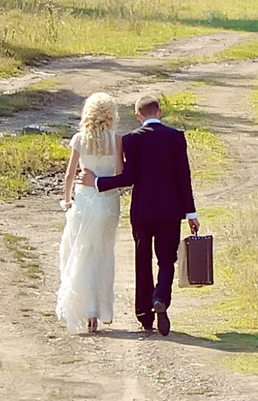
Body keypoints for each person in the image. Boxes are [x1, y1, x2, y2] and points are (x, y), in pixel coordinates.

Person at [84, 90, 199, 335]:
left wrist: (97, 182)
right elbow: (184, 178)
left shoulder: (131, 140)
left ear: (138, 116)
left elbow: (128, 178)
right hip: (171, 211)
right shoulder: (176, 137)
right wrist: (191, 213)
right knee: (167, 260)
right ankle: (161, 298)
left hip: (142, 212)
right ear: (160, 112)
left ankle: (145, 315)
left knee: (142, 260)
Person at [53, 92, 124, 334]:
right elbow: (119, 174)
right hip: (108, 201)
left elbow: (69, 175)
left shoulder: (79, 139)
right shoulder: (117, 140)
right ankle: (100, 310)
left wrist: (67, 201)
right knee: (104, 253)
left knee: (81, 251)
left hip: (84, 200)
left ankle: (87, 308)